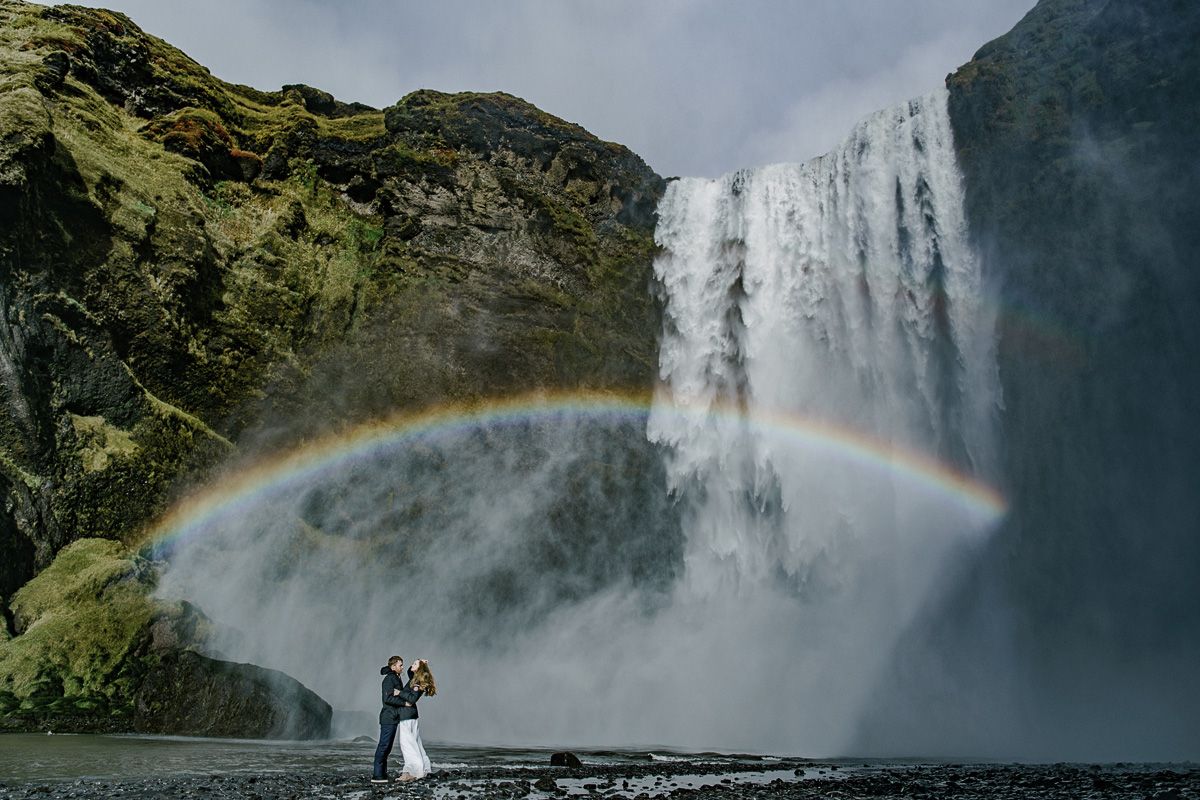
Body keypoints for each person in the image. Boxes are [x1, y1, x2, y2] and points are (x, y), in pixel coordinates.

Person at [372, 655, 419, 783]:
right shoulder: (389, 679)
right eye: (400, 665)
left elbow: (410, 673)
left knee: (387, 747)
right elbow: (387, 699)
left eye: (403, 665)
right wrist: (404, 703)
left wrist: (418, 664)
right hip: (388, 717)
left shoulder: (395, 677)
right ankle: (377, 776)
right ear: (393, 667)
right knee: (384, 746)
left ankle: (382, 774)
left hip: (393, 717)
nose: (402, 667)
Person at [395, 658, 435, 781]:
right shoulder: (416, 679)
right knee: (416, 743)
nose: (411, 665)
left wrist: (399, 693)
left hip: (407, 716)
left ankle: (415, 771)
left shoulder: (418, 683)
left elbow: (412, 699)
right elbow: (409, 672)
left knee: (407, 745)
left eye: (414, 664)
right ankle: (425, 768)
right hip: (411, 716)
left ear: (419, 669)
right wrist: (420, 662)